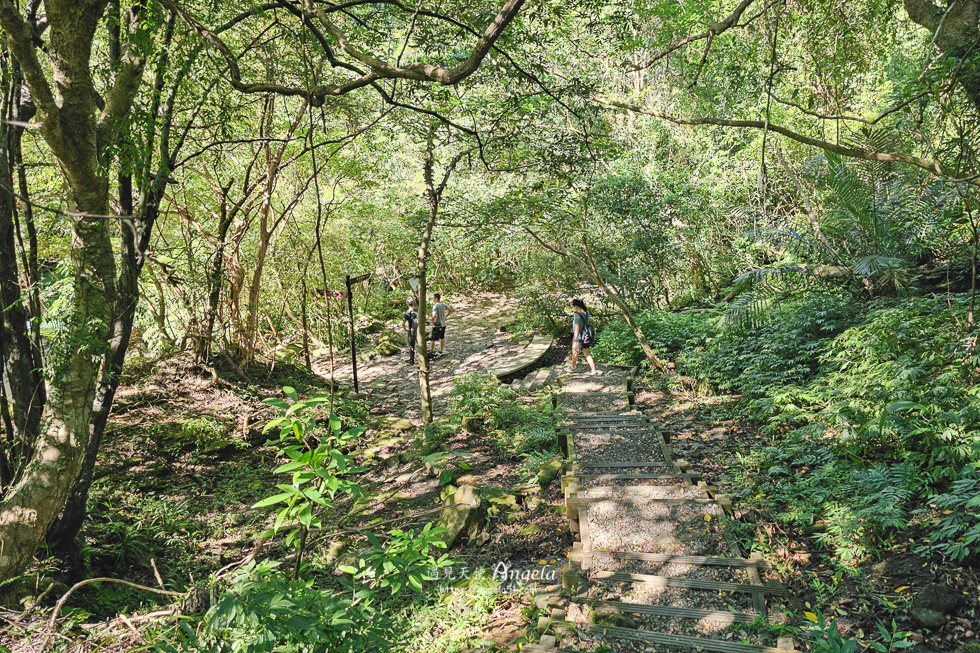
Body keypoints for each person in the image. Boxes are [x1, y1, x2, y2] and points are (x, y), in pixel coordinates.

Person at [569, 298, 599, 375]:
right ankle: (593, 370)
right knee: (587, 354)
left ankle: (573, 368)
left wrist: (575, 340)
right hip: (586, 336)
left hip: (578, 337)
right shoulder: (586, 313)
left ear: (575, 306)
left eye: (572, 306)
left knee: (575, 353)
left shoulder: (577, 315)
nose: (572, 308)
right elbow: (584, 324)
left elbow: (577, 328)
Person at [429, 293, 452, 358]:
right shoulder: (443, 304)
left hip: (437, 324)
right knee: (442, 337)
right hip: (443, 324)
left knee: (433, 339)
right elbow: (450, 310)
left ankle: (431, 351)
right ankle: (441, 350)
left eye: (433, 298)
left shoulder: (435, 306)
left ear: (436, 298)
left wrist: (432, 322)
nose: (433, 299)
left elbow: (433, 315)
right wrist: (446, 316)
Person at [402, 297, 419, 364]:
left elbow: (403, 323)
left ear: (407, 304)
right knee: (420, 343)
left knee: (411, 345)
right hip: (418, 329)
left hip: (411, 330)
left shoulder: (407, 313)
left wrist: (406, 330)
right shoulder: (417, 310)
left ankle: (412, 360)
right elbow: (426, 317)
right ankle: (423, 357)